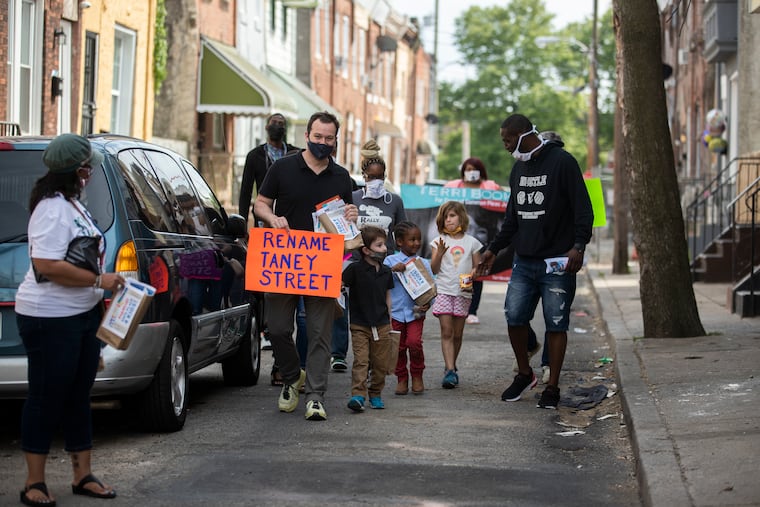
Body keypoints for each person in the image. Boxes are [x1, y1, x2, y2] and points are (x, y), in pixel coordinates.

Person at [15, 133, 124, 506]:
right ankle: (34, 483)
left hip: (81, 316)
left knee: (79, 396)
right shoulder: (50, 208)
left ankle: (83, 475)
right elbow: (45, 265)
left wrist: (100, 301)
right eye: (87, 167)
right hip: (49, 318)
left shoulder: (73, 204)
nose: (90, 172)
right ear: (76, 171)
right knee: (46, 397)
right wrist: (98, 280)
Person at [475, 114, 593, 409]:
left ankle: (552, 386)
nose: (505, 146)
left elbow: (583, 209)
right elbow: (511, 221)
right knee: (514, 317)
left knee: (556, 324)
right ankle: (525, 374)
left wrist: (578, 246)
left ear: (524, 134)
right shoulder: (518, 169)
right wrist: (493, 250)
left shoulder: (563, 162)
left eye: (508, 139)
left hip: (557, 262)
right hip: (524, 261)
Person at [253, 111, 359, 421]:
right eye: (318, 137)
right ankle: (290, 377)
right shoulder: (283, 167)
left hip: (323, 262)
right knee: (278, 328)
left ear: (336, 140)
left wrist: (352, 213)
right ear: (307, 136)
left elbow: (344, 216)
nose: (323, 143)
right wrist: (272, 219)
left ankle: (315, 395)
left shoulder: (341, 177)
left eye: (329, 138)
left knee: (319, 333)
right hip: (284, 258)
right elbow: (261, 203)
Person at [329, 140, 407, 372]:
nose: (376, 182)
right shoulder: (351, 198)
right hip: (353, 260)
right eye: (371, 177)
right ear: (363, 176)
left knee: (379, 309)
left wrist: (402, 260)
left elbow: (402, 233)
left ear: (385, 176)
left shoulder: (394, 201)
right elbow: (338, 227)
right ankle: (338, 353)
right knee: (342, 303)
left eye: (380, 177)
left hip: (383, 264)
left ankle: (376, 355)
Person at [430, 201, 482, 389]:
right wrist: (439, 254)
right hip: (444, 290)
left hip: (463, 292)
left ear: (461, 216)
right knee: (447, 331)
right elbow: (434, 269)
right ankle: (450, 370)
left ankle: (450, 364)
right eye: (445, 216)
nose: (448, 219)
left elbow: (478, 267)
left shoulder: (472, 243)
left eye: (452, 215)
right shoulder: (438, 241)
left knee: (458, 334)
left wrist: (475, 273)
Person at [342, 226, 395, 411]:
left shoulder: (387, 271)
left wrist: (390, 318)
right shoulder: (354, 270)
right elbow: (339, 283)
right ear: (366, 250)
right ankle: (358, 395)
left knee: (380, 364)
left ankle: (375, 393)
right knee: (361, 361)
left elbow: (388, 295)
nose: (384, 248)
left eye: (384, 244)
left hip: (382, 324)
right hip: (359, 324)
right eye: (379, 245)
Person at [444, 157, 501, 325]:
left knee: (476, 275)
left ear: (481, 171)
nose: (471, 172)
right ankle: (461, 308)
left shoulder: (490, 188)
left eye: (474, 169)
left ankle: (472, 311)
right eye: (467, 169)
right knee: (461, 274)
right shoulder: (454, 187)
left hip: (479, 242)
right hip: (459, 240)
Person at [385, 221, 433, 395]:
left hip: (416, 313)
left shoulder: (423, 263)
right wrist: (391, 270)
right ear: (399, 242)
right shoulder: (390, 261)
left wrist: (428, 304)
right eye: (412, 239)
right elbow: (380, 280)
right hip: (396, 314)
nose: (416, 243)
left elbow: (430, 287)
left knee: (414, 343)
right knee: (398, 347)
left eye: (418, 239)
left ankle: (417, 375)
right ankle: (402, 378)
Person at [238, 113, 299, 224]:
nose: (277, 126)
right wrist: (242, 222)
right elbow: (246, 192)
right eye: (274, 123)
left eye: (280, 124)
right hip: (263, 216)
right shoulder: (255, 156)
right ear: (267, 127)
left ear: (285, 130)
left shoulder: (295, 154)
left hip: (289, 215)